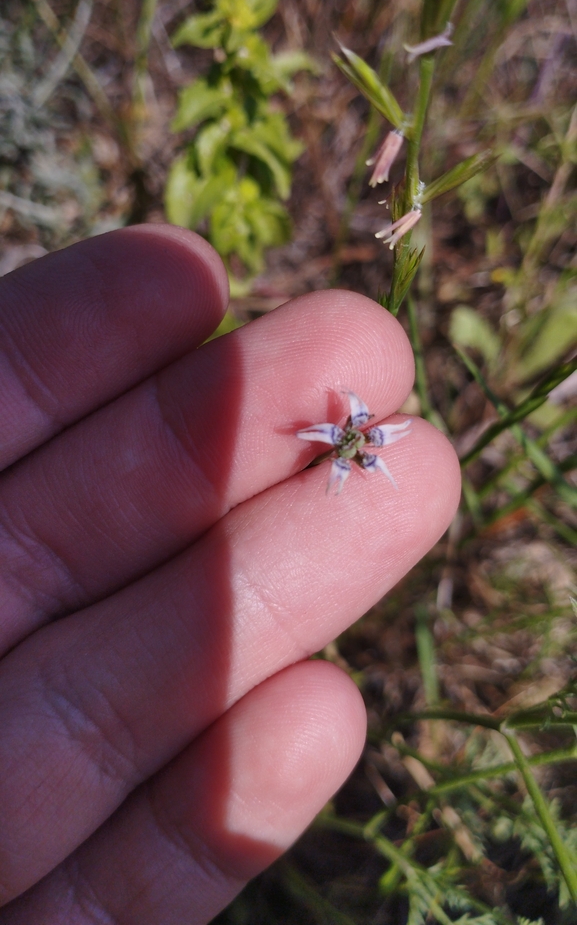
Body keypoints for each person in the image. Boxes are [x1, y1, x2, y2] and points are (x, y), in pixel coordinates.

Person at [0, 224, 460, 923]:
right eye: (354, 438)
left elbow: (352, 442)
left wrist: (346, 451)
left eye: (356, 441)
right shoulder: (346, 439)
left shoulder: (353, 443)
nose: (357, 439)